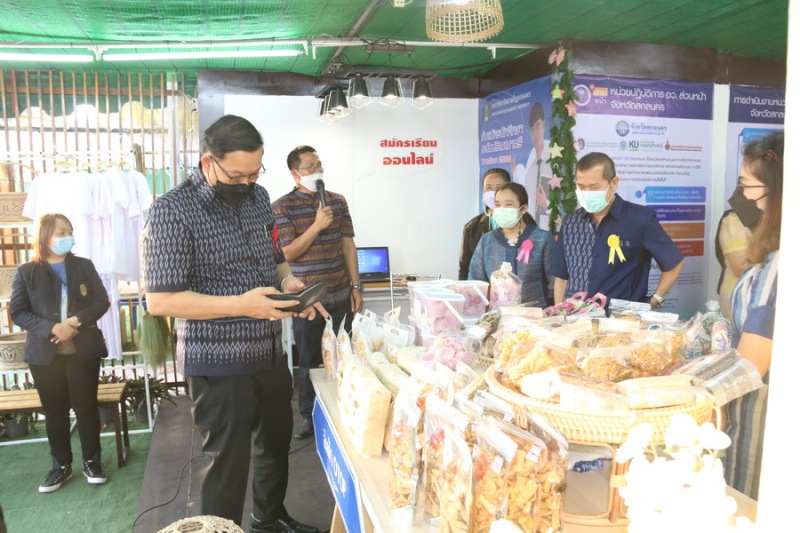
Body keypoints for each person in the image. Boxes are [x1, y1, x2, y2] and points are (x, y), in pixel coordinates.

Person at [141, 115, 322, 533]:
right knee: (227, 465)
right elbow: (161, 300)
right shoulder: (172, 211)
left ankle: (268, 519)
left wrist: (288, 283)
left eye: (254, 173)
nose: (246, 183)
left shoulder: (259, 198)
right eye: (236, 175)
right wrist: (242, 305)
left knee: (274, 446)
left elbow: (274, 257)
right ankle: (220, 528)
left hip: (268, 351)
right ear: (208, 162)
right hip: (217, 362)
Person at [10, 213, 110, 493]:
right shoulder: (27, 271)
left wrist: (74, 322)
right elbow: (18, 311)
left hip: (83, 350)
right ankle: (61, 466)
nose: (67, 237)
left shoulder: (83, 266)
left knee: (86, 408)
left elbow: (101, 301)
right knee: (55, 412)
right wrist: (53, 328)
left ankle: (92, 462)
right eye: (60, 232)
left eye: (69, 231)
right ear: (44, 236)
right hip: (45, 355)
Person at [272, 146, 362, 440]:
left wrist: (356, 286)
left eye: (319, 164)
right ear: (295, 173)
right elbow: (288, 253)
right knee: (310, 361)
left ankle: (345, 408)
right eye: (310, 166)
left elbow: (347, 244)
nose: (317, 170)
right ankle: (309, 416)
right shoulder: (281, 207)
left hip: (341, 293)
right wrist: (317, 225)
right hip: (308, 302)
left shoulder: (337, 201)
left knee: (344, 356)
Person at [724, 131, 783, 500]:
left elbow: (750, 367)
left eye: (746, 185)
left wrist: (691, 389)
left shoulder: (778, 270)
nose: (742, 196)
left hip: (758, 426)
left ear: (775, 193)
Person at [550, 152, 684, 307]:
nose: (587, 193)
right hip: (575, 316)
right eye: (581, 187)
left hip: (621, 317)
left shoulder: (640, 219)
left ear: (614, 183)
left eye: (594, 187)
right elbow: (561, 277)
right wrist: (559, 312)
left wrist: (656, 299)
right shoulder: (570, 222)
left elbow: (673, 262)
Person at [468, 182, 554, 306]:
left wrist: (553, 311)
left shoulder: (542, 239)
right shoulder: (486, 241)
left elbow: (555, 282)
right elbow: (475, 282)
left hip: (534, 314)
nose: (502, 209)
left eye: (508, 204)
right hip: (496, 314)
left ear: (523, 208)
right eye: (498, 205)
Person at [458, 168, 511, 280]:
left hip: (515, 288)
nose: (493, 192)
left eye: (499, 187)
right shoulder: (472, 227)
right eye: (489, 188)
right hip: (481, 288)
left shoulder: (522, 223)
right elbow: (465, 269)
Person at [513, 102, 551, 226]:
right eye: (532, 129)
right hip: (532, 230)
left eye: (538, 125)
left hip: (551, 231)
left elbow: (567, 204)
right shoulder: (531, 164)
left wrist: (546, 204)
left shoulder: (555, 161)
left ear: (544, 125)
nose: (535, 133)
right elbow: (525, 195)